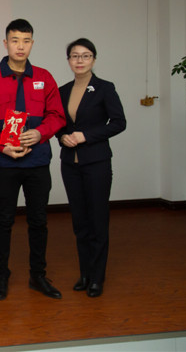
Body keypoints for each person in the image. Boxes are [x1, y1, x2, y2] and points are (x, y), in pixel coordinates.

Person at [0, 18, 66, 301]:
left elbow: (57, 115)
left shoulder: (45, 77)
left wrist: (40, 133)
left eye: (26, 41)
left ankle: (38, 275)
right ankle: (1, 276)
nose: (20, 46)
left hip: (37, 160)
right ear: (6, 43)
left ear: (32, 44)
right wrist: (1, 146)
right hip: (5, 162)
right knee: (4, 219)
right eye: (15, 40)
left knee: (38, 220)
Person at [56, 38, 126, 298]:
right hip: (70, 164)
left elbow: (119, 122)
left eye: (85, 56)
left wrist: (86, 136)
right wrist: (62, 136)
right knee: (80, 222)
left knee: (97, 221)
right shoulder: (62, 91)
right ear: (68, 61)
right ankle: (85, 273)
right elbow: (58, 123)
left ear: (93, 59)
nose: (80, 60)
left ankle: (97, 277)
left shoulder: (105, 88)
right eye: (75, 56)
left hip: (96, 162)